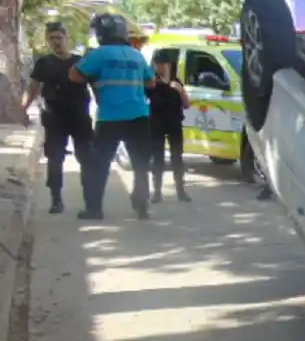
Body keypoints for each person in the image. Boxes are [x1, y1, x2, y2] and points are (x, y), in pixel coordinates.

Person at [68, 13, 155, 221]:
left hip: (110, 117)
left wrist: (94, 76)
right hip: (139, 116)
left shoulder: (99, 54)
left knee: (99, 165)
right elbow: (151, 83)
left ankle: (94, 209)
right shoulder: (137, 55)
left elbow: (74, 75)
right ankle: (142, 206)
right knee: (141, 164)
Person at [21, 22, 92, 214]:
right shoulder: (44, 63)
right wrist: (23, 109)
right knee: (55, 159)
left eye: (59, 37)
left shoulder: (81, 62)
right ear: (47, 41)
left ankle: (91, 202)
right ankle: (56, 200)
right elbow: (33, 88)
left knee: (86, 159)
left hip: (79, 117)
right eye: (51, 38)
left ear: (66, 38)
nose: (56, 42)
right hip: (55, 117)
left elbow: (96, 86)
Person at [147, 52, 191, 204]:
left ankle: (181, 190)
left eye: (164, 64)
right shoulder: (152, 81)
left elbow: (187, 104)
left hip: (174, 122)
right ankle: (157, 193)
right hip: (157, 123)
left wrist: (180, 90)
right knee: (157, 158)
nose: (161, 67)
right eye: (158, 64)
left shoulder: (176, 81)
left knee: (177, 157)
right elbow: (143, 97)